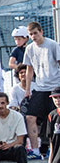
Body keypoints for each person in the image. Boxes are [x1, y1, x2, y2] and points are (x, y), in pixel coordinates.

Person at [23, 21, 60, 156]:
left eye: (35, 33)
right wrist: (27, 89)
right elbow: (29, 70)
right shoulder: (29, 48)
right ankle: (35, 150)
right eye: (31, 34)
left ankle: (53, 149)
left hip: (55, 86)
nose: (33, 36)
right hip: (40, 88)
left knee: (54, 119)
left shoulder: (52, 45)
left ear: (41, 32)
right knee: (30, 117)